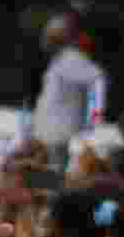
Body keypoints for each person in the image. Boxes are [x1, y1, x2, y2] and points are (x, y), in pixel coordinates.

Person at [32, 9, 108, 168]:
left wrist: (93, 120)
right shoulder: (59, 61)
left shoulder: (71, 59)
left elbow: (98, 80)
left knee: (55, 181)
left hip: (60, 138)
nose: (45, 41)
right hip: (49, 138)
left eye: (50, 36)